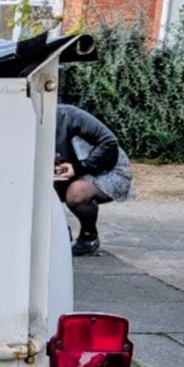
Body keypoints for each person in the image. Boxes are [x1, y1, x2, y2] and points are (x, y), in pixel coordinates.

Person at [54, 104, 134, 256]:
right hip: (74, 171)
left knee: (77, 193)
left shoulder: (70, 115)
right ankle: (60, 233)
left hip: (108, 169)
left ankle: (89, 236)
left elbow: (109, 142)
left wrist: (79, 168)